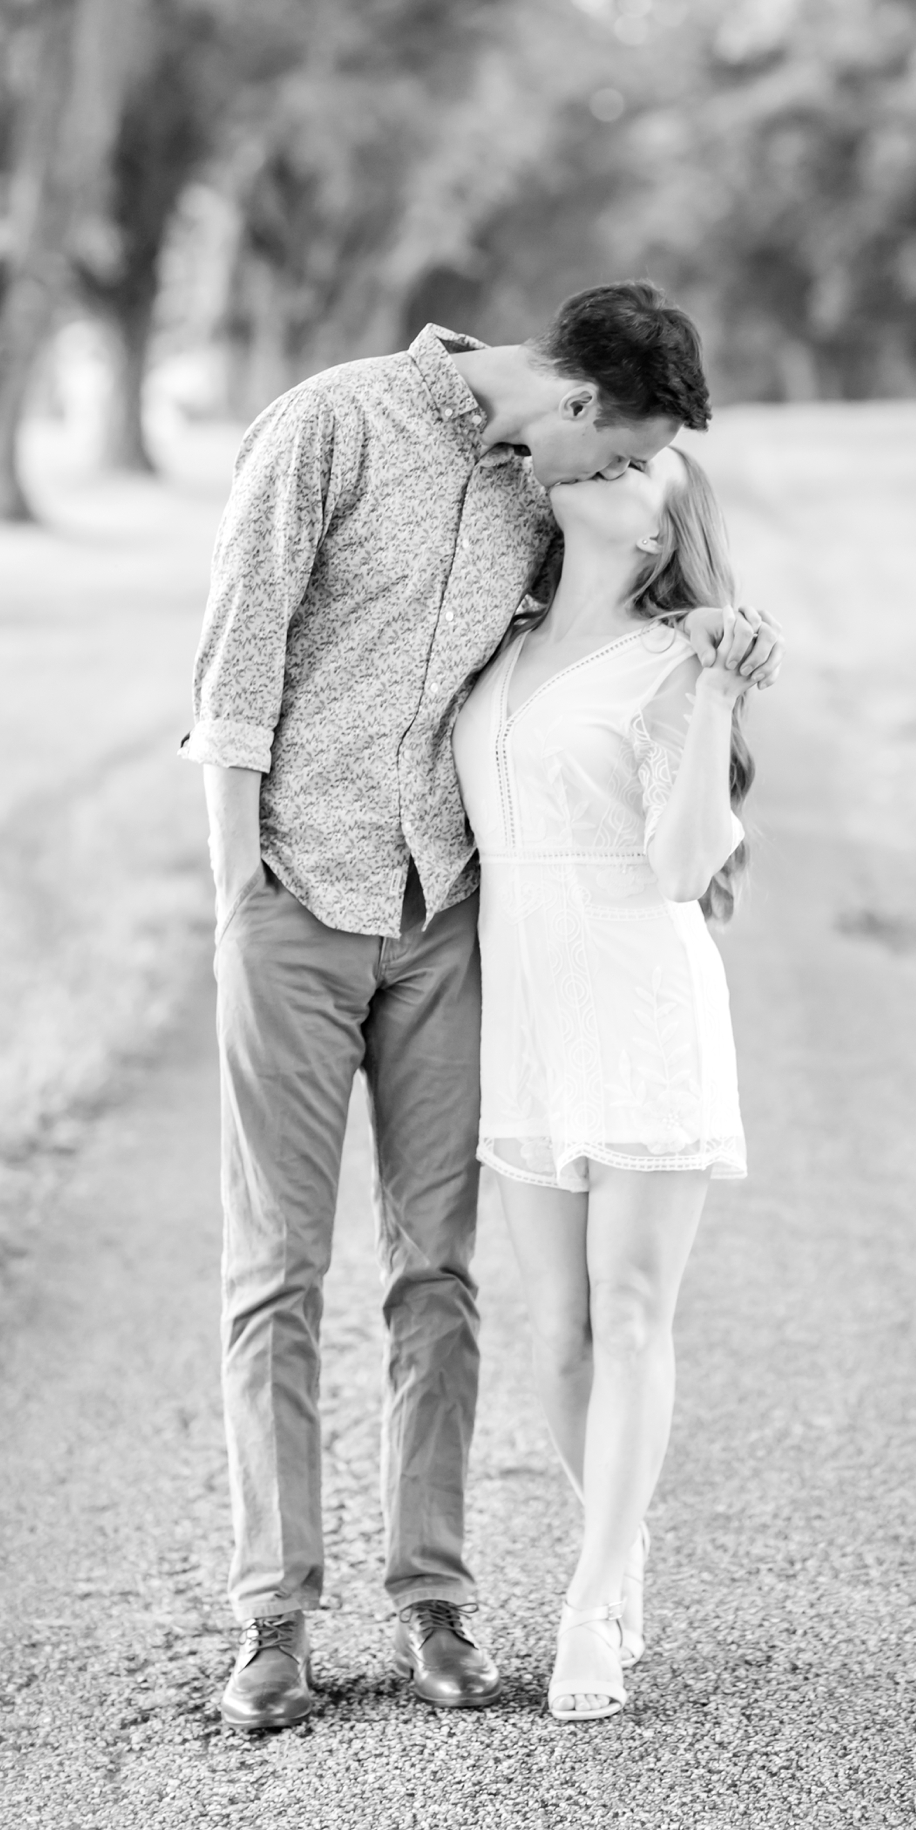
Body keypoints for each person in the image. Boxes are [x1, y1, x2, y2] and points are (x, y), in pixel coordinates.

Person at [179, 282, 782, 1732]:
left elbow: (637, 629)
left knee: (437, 1274)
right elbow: (235, 666)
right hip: (298, 902)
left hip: (446, 921)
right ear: (580, 408)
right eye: (617, 449)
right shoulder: (331, 423)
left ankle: (433, 1601)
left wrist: (724, 655)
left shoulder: (538, 494)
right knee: (278, 1264)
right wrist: (236, 902)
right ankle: (275, 1615)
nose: (601, 477)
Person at [453, 444, 760, 1720]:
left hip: (638, 993)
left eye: (641, 464)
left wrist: (719, 697)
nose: (606, 462)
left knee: (630, 1311)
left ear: (658, 532)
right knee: (560, 1336)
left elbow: (687, 865)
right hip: (524, 1006)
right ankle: (617, 1546)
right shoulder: (495, 638)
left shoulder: (675, 660)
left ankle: (587, 1606)